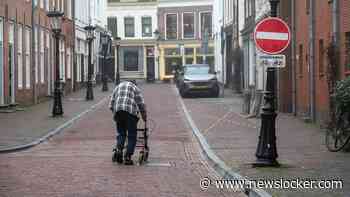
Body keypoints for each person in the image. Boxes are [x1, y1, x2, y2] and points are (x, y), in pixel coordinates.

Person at [109, 80, 147, 165]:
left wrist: (116, 114)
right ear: (134, 84)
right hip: (130, 113)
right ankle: (127, 157)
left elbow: (111, 105)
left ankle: (119, 150)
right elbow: (141, 104)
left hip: (118, 112)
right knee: (131, 135)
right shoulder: (135, 88)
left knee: (121, 133)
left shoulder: (117, 86)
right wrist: (144, 117)